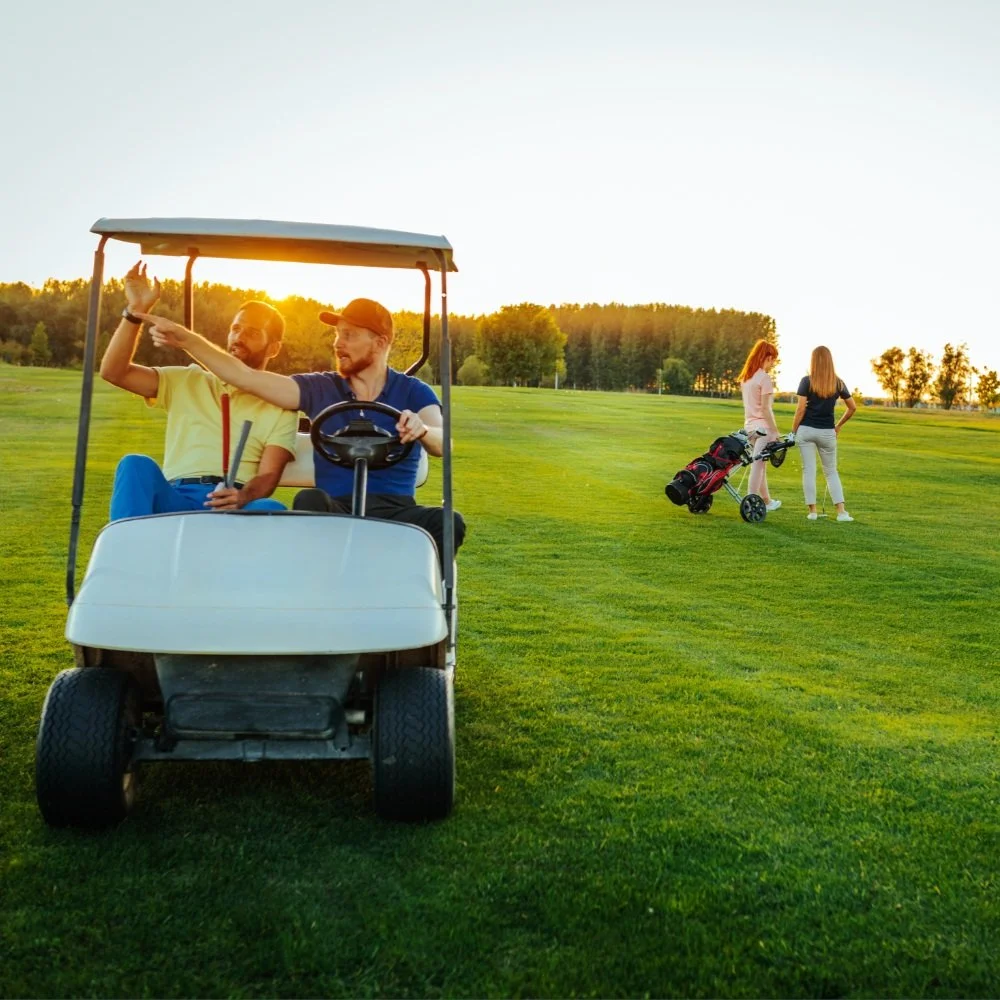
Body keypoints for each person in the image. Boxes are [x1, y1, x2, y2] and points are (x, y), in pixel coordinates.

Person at [135, 296, 466, 560]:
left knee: (449, 522)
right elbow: (245, 378)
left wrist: (422, 429)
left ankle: (418, 601)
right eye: (337, 334)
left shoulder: (413, 391)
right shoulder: (320, 388)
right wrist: (187, 340)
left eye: (349, 335)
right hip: (335, 506)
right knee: (309, 500)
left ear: (379, 343)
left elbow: (444, 442)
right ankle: (321, 597)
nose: (338, 343)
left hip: (397, 508)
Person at [100, 261, 297, 519]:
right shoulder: (188, 379)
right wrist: (135, 312)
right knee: (134, 465)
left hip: (233, 502)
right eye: (235, 329)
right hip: (177, 496)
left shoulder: (280, 403)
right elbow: (114, 372)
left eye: (252, 333)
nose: (239, 338)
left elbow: (269, 474)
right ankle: (126, 546)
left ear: (273, 348)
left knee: (272, 510)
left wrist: (243, 496)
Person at [790, 345, 857, 521]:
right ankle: (841, 512)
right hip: (827, 432)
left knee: (809, 471)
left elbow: (800, 410)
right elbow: (852, 407)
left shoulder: (806, 381)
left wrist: (793, 431)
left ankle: (813, 512)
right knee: (831, 472)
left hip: (806, 430)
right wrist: (838, 425)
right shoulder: (838, 382)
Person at [738, 339, 782, 511]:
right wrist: (775, 431)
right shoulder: (764, 378)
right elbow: (765, 409)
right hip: (763, 428)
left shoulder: (746, 378)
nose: (773, 364)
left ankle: (767, 501)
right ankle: (751, 500)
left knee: (759, 463)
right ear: (767, 357)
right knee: (758, 465)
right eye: (773, 360)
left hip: (750, 426)